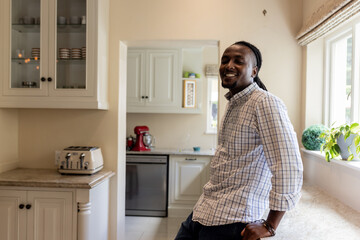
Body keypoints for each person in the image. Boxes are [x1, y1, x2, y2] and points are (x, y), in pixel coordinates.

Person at [175, 41, 303, 240]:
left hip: (233, 222)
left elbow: (288, 165)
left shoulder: (264, 102)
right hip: (203, 212)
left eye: (238, 61)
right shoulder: (233, 103)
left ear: (254, 71)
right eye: (225, 60)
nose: (229, 65)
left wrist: (270, 225)